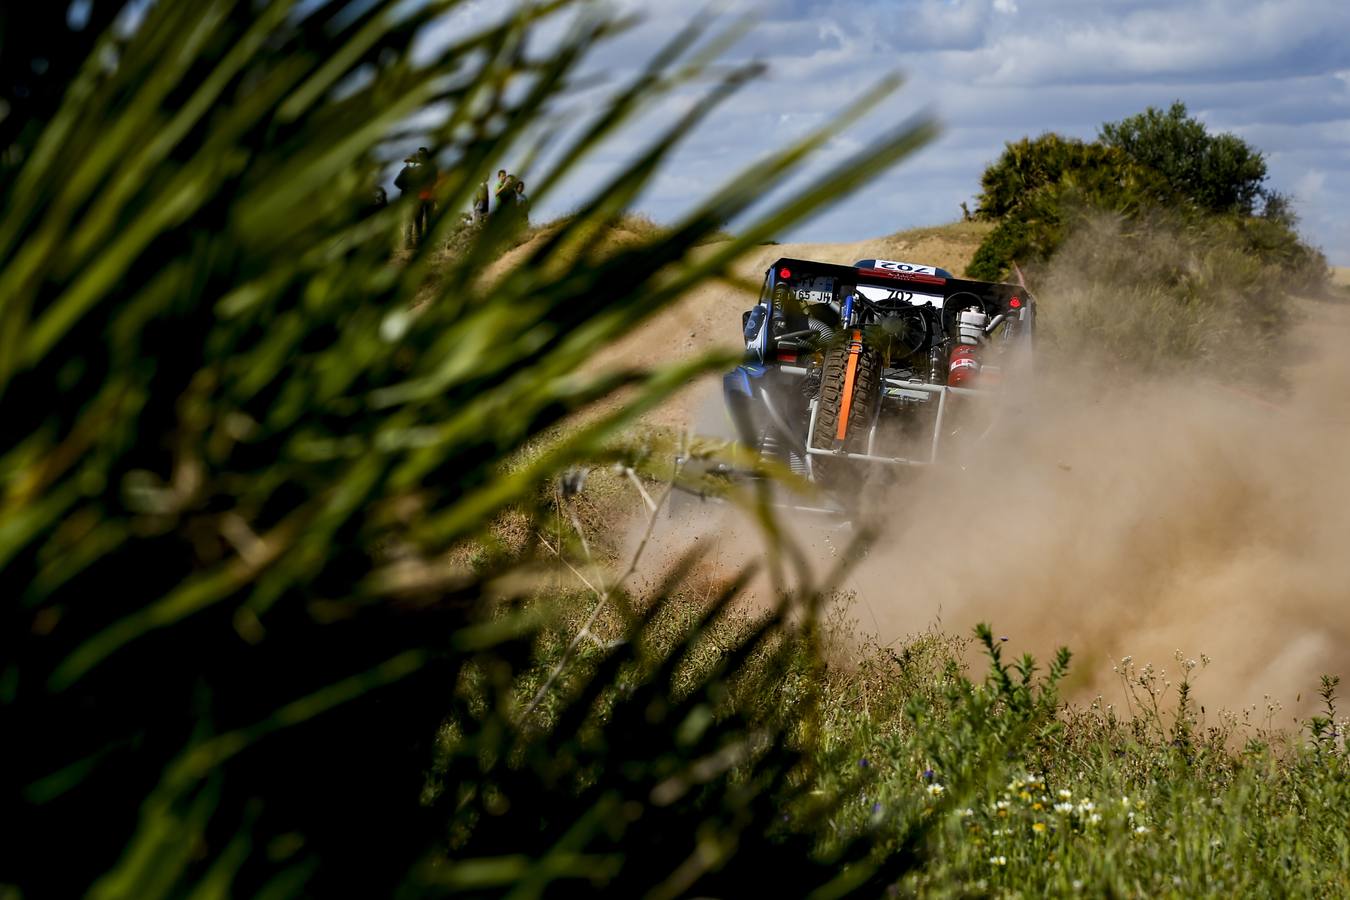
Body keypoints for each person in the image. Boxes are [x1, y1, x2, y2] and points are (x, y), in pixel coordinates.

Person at [395, 147, 438, 247]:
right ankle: (418, 243)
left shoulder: (428, 167)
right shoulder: (411, 169)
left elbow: (434, 181)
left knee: (417, 220)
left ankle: (418, 243)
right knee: (416, 220)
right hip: (418, 199)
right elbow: (397, 182)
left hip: (422, 199)